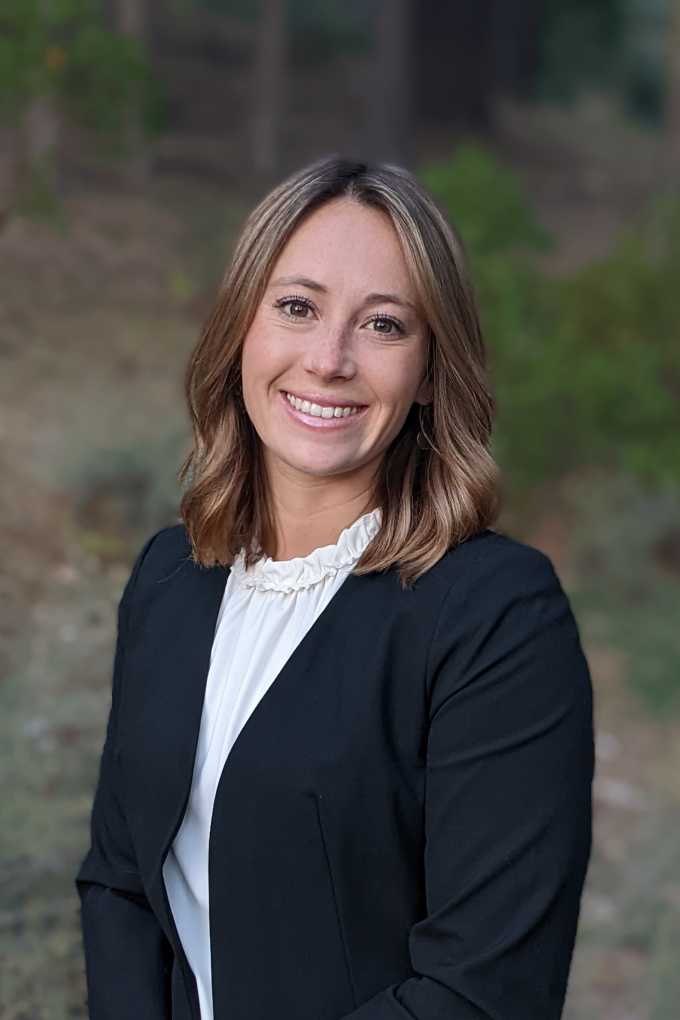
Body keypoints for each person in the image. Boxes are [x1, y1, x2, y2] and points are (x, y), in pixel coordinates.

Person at [75, 155, 594, 1020]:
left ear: (430, 370)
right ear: (242, 327)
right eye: (297, 307)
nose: (329, 359)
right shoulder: (170, 577)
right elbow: (121, 885)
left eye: (384, 325)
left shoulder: (495, 612)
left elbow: (482, 988)